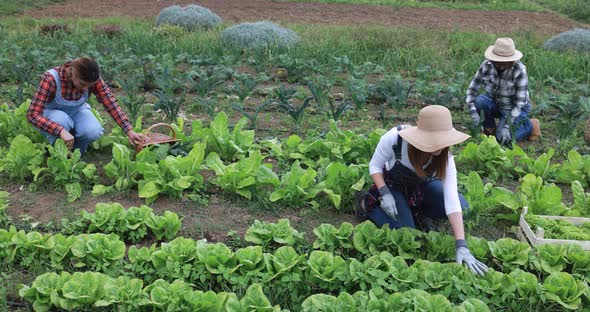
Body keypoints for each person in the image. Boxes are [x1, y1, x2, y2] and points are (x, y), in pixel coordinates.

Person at [357, 105, 488, 276]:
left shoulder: (445, 158)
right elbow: (375, 165)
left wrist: (461, 245)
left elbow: (452, 201)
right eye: (435, 139)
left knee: (463, 206)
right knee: (408, 232)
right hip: (392, 187)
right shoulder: (395, 139)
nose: (441, 145)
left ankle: (417, 211)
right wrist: (384, 192)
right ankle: (366, 205)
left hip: (419, 188)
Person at [27, 57, 146, 153]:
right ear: (73, 72)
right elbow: (32, 115)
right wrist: (60, 130)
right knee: (61, 120)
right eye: (82, 84)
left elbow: (109, 102)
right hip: (51, 114)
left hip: (76, 111)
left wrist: (129, 131)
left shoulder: (92, 79)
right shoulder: (51, 79)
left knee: (93, 130)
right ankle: (59, 152)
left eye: (89, 86)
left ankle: (75, 153)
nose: (86, 88)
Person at [466, 37, 541, 145]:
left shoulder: (520, 70)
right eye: (498, 61)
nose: (502, 65)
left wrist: (506, 126)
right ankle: (490, 128)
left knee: (506, 140)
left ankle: (530, 125)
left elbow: (520, 103)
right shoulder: (486, 66)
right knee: (480, 101)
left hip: (513, 108)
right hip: (495, 103)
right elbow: (471, 91)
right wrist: (473, 114)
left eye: (505, 62)